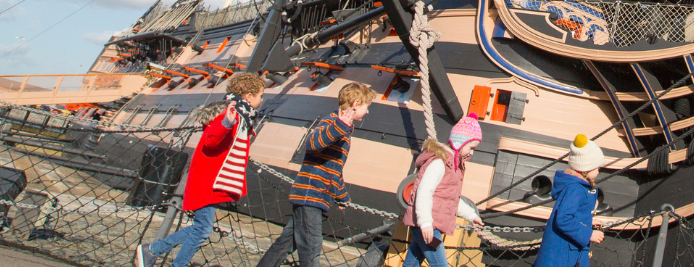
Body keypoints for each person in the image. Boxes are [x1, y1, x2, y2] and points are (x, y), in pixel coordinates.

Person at [136, 72, 265, 267]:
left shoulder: (241, 115)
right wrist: (226, 124)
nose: (262, 100)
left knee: (201, 228)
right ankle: (158, 253)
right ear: (248, 96)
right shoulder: (230, 114)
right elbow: (211, 140)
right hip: (209, 179)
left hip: (213, 178)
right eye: (260, 95)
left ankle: (153, 251)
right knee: (202, 230)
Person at [254, 81, 376, 267]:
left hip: (315, 196)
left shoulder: (343, 132)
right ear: (356, 104)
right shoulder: (331, 122)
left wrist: (342, 196)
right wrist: (340, 125)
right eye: (367, 107)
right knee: (311, 249)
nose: (367, 112)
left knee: (285, 244)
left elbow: (334, 169)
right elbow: (313, 143)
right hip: (311, 195)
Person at [402, 114, 486, 267]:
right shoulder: (440, 163)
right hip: (427, 225)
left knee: (412, 263)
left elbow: (450, 199)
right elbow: (424, 192)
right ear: (460, 142)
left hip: (428, 225)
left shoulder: (453, 166)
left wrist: (471, 215)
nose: (472, 153)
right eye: (471, 147)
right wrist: (426, 223)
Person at [535, 134, 606, 267]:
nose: (598, 171)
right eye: (597, 168)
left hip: (565, 255)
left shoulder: (577, 186)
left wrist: (587, 220)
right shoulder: (576, 189)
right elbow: (563, 219)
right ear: (586, 168)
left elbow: (573, 213)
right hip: (562, 257)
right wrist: (589, 234)